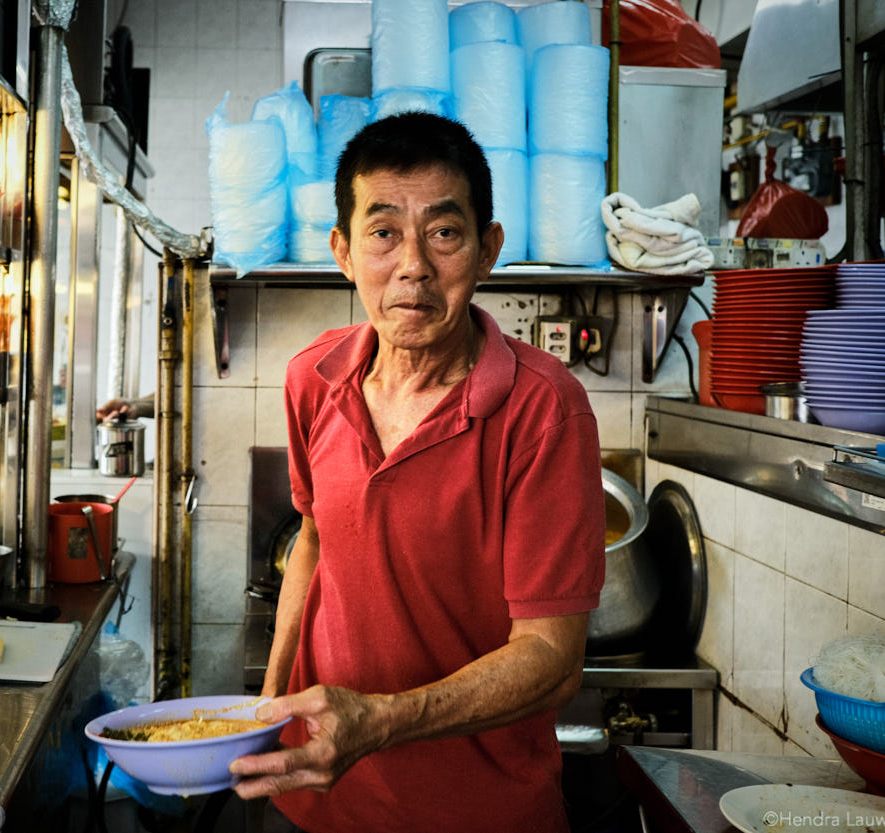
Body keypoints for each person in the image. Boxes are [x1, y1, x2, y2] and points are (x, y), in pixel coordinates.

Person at [228, 113, 606, 832]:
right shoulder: (313, 377)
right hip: (317, 800)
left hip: (480, 813)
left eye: (443, 232)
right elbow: (313, 541)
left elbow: (553, 659)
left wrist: (379, 720)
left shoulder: (545, 409)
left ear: (487, 248)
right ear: (342, 250)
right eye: (382, 233)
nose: (413, 266)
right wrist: (268, 706)